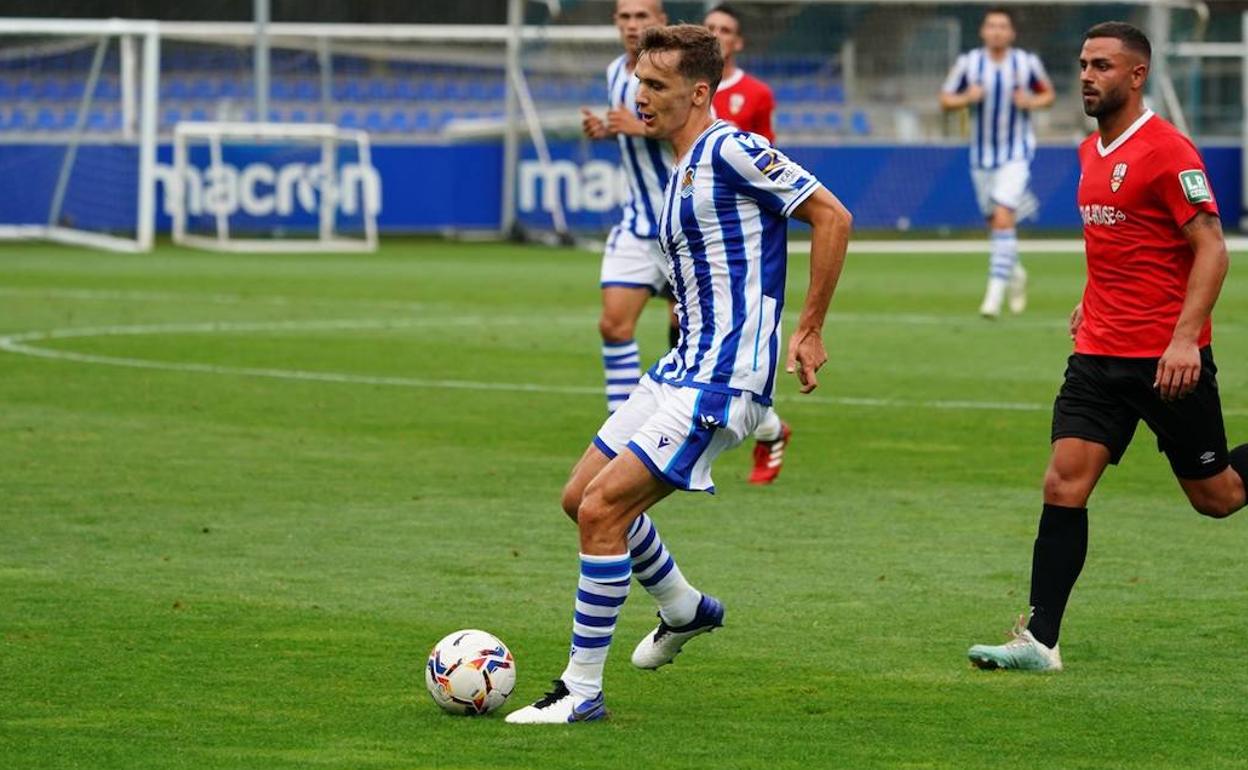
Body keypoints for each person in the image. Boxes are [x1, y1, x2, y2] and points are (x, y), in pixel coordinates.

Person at [506, 23, 853, 722]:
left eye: (657, 86)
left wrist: (809, 327)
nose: (642, 96)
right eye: (639, 83)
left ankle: (580, 692)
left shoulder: (732, 148)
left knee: (605, 512)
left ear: (699, 92)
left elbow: (832, 216)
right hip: (679, 370)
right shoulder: (680, 167)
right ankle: (684, 607)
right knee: (580, 499)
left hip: (722, 383)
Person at [967, 21, 1248, 672]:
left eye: (1102, 65)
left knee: (1219, 497)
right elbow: (1119, 243)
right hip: (1097, 356)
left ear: (1136, 75)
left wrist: (1184, 340)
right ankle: (1039, 640)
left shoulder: (1169, 151)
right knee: (1064, 485)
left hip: (1165, 362)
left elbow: (1212, 248)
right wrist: (1090, 301)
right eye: (1084, 64)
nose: (1087, 76)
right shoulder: (1090, 150)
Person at [703, 2, 792, 485]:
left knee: (712, 333)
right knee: (691, 331)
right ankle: (768, 426)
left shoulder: (754, 94)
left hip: (733, 232)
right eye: (710, 28)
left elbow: (766, 162)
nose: (717, 36)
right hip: (686, 222)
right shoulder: (681, 86)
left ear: (737, 42)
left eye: (726, 31)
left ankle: (759, 423)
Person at [580, 0, 671, 415]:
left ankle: (763, 424)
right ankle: (621, 428)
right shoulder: (616, 71)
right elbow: (632, 131)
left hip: (684, 226)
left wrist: (641, 128)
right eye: (625, 17)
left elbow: (708, 133)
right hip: (637, 224)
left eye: (642, 17)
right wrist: (606, 131)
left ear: (661, 21)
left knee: (689, 338)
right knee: (613, 325)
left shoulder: (679, 70)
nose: (633, 25)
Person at [940, 7, 1054, 318]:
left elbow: (1048, 95)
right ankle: (1014, 271)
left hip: (1016, 152)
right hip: (981, 157)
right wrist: (967, 98)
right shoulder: (969, 64)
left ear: (1011, 33)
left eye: (1003, 26)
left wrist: (1030, 101)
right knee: (996, 223)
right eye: (992, 26)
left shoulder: (1026, 63)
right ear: (983, 31)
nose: (997, 31)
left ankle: (993, 296)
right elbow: (945, 99)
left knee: (1004, 217)